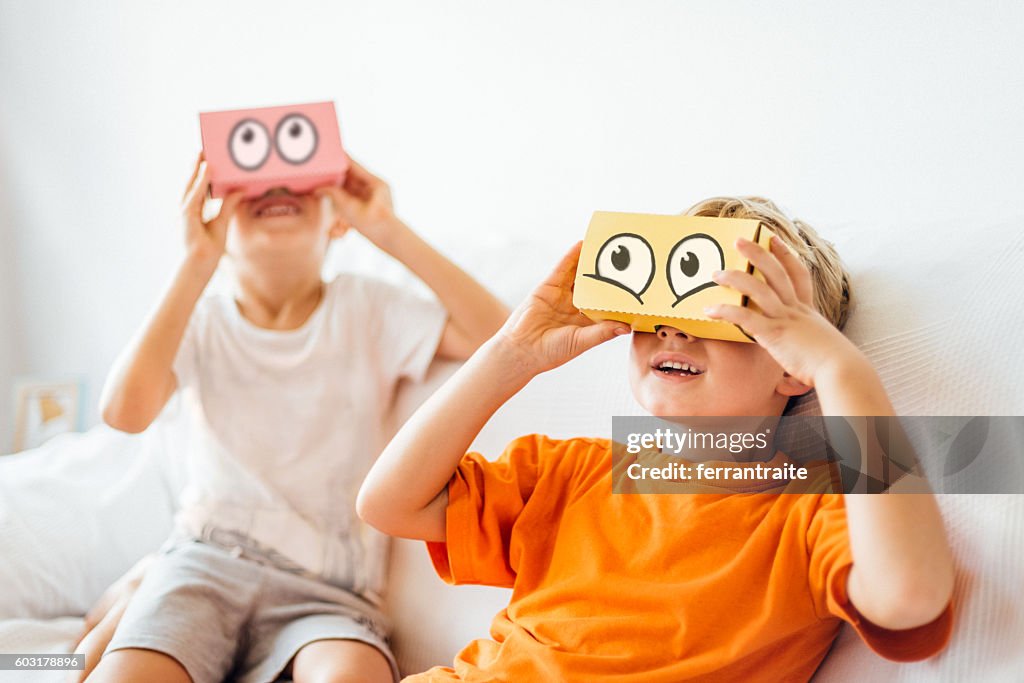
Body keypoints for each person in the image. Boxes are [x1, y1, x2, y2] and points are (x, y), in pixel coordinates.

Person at [357, 197, 956, 681]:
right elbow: (388, 504)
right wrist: (511, 356)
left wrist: (840, 369)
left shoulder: (810, 513)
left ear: (792, 364)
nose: (673, 325)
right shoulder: (569, 473)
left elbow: (908, 597)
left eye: (724, 309)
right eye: (663, 302)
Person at [82, 152, 509, 683]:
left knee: (353, 674)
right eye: (251, 189)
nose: (274, 190)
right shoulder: (202, 322)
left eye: (298, 185)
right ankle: (138, 590)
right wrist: (196, 263)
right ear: (218, 220)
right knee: (107, 671)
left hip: (328, 594)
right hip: (205, 564)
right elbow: (124, 414)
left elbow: (500, 337)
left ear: (336, 221)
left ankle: (138, 589)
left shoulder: (367, 308)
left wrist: (386, 228)